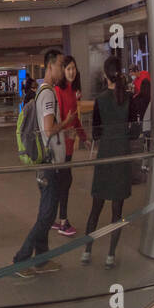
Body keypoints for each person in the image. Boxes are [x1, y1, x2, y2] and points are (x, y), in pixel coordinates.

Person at [13, 49, 76, 277]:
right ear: (50, 66)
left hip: (46, 163)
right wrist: (66, 123)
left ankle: (41, 260)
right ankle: (21, 260)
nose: (62, 70)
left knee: (46, 214)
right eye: (60, 65)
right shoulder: (48, 93)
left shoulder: (42, 91)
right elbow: (49, 129)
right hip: (49, 164)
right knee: (47, 216)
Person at [82, 57, 136, 268]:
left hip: (105, 155)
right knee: (117, 211)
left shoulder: (101, 100)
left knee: (96, 207)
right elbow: (134, 131)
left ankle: (87, 251)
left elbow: (95, 133)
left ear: (105, 75)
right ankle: (110, 256)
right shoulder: (128, 98)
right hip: (122, 155)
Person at [52, 55, 89, 236]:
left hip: (68, 144)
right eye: (68, 69)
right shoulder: (58, 90)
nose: (72, 72)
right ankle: (63, 222)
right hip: (60, 145)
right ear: (62, 71)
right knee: (64, 181)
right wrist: (69, 126)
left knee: (62, 181)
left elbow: (75, 119)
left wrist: (83, 137)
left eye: (74, 68)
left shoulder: (73, 91)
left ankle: (55, 218)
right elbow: (59, 119)